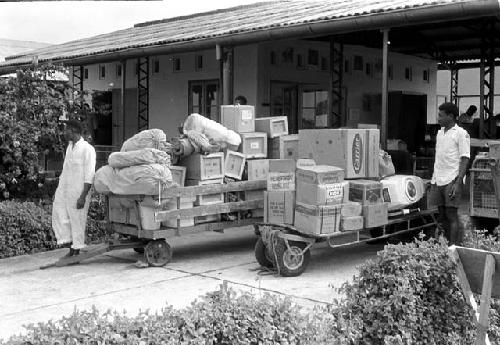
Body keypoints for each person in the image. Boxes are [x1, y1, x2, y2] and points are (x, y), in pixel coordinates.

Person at [52, 120, 96, 256]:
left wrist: (83, 196)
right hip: (65, 190)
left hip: (79, 192)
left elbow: (90, 175)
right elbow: (65, 172)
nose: (65, 133)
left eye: (67, 130)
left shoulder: (87, 149)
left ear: (74, 131)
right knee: (59, 212)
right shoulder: (70, 147)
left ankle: (76, 248)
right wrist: (58, 192)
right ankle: (68, 242)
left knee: (77, 219)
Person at [429, 102, 470, 245]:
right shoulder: (440, 133)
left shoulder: (461, 134)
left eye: (441, 115)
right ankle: (445, 246)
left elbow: (465, 158)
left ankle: (454, 249)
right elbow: (439, 158)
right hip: (438, 180)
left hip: (452, 180)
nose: (438, 118)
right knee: (441, 216)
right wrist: (433, 180)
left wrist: (458, 182)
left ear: (451, 116)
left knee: (451, 214)